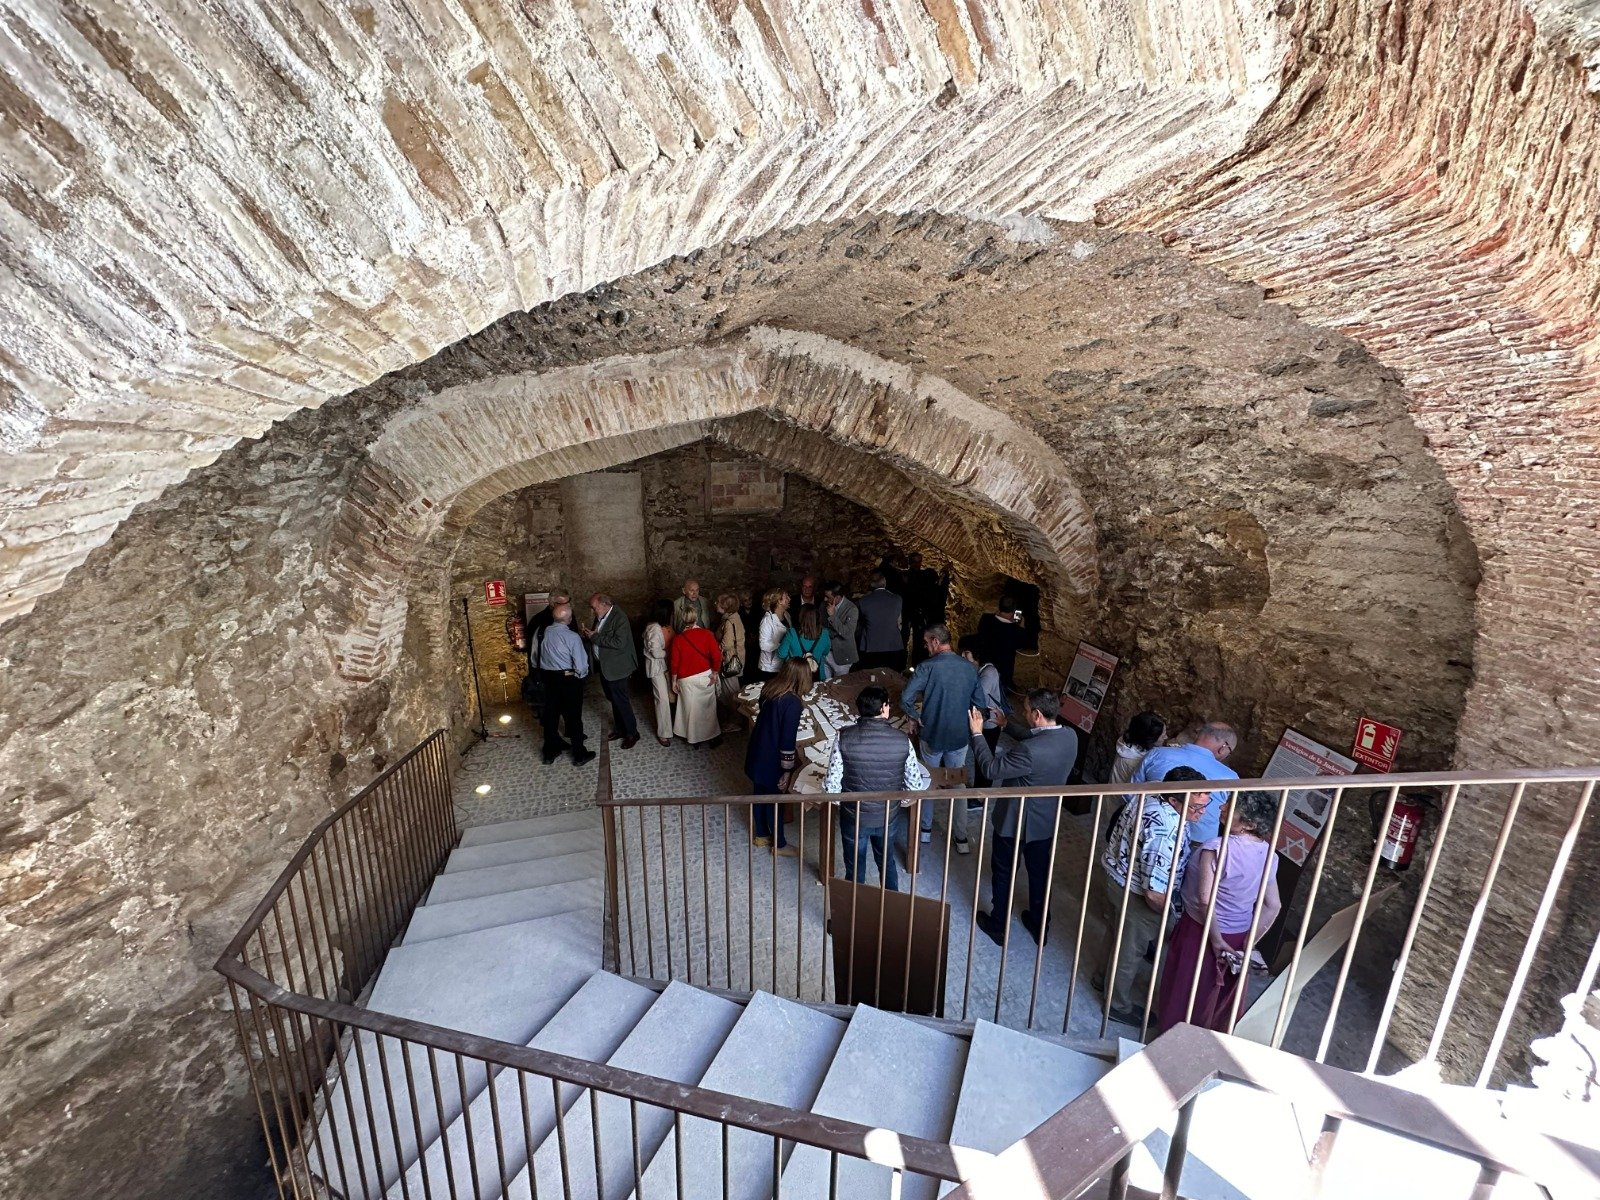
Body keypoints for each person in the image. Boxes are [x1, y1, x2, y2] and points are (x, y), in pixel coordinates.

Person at [1156, 789, 1282, 1034]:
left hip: (1201, 931)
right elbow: (1273, 905)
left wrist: (1216, 941)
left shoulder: (1216, 848)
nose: (1221, 807)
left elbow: (1205, 901)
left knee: (1184, 990)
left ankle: (1171, 1039)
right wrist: (1247, 944)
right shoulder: (1269, 854)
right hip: (1238, 935)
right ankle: (1205, 1040)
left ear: (1249, 823)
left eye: (1231, 807)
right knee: (1216, 996)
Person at [1091, 765, 1208, 1025]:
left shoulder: (1153, 789)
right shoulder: (1166, 830)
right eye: (1196, 807)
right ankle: (1117, 1005)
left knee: (1115, 931)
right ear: (1174, 800)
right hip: (1135, 895)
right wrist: (1172, 916)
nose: (1202, 813)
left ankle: (1101, 979)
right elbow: (1154, 894)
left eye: (1204, 804)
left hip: (1116, 877)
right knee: (1130, 950)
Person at [966, 689, 1079, 945]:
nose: (1024, 713)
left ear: (1037, 714)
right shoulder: (1069, 736)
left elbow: (990, 768)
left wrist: (976, 733)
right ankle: (1040, 927)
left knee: (1004, 872)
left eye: (1026, 710)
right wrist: (1007, 726)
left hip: (1013, 822)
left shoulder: (1028, 752)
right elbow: (1036, 736)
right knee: (1040, 875)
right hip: (1045, 821)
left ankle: (998, 926)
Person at [824, 685, 931, 890]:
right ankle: (891, 911)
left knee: (854, 868)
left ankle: (854, 913)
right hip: (887, 815)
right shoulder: (902, 740)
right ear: (884, 708)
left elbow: (831, 788)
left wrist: (846, 805)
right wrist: (900, 802)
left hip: (854, 816)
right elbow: (915, 786)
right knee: (886, 862)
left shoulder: (844, 737)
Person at [900, 624, 989, 852]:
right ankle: (961, 838)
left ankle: (925, 830)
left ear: (935, 642)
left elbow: (906, 698)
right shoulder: (969, 669)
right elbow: (980, 704)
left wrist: (914, 716)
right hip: (959, 735)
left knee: (928, 780)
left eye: (926, 642)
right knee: (957, 783)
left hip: (932, 733)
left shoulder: (927, 667)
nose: (926, 647)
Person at [1129, 722, 1240, 845]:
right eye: (1229, 752)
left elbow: (1130, 793)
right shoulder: (1230, 777)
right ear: (1223, 747)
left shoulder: (1157, 754)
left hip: (1144, 829)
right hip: (1196, 843)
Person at [744, 658, 810, 854]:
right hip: (772, 758)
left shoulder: (770, 688)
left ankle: (762, 836)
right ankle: (779, 844)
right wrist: (787, 771)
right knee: (776, 800)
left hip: (757, 750)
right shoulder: (792, 703)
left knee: (759, 794)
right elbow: (787, 741)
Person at [538, 603, 594, 765]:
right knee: (574, 717)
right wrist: (580, 676)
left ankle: (550, 752)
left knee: (551, 715)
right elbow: (582, 666)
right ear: (569, 619)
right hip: (568, 679)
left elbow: (537, 656)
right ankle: (579, 754)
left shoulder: (543, 632)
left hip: (549, 679)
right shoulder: (572, 637)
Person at [585, 593, 639, 749]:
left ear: (603, 604)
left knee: (621, 700)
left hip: (618, 668)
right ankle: (621, 729)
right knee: (613, 698)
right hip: (606, 666)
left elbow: (619, 642)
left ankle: (632, 733)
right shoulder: (602, 615)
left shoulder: (619, 617)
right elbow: (600, 634)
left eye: (594, 607)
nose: (592, 610)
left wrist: (594, 638)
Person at [668, 607, 723, 748]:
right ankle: (712, 737)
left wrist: (673, 681)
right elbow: (717, 656)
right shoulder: (707, 634)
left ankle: (694, 739)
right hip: (705, 676)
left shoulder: (678, 639)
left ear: (682, 620)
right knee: (708, 709)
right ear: (697, 618)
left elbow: (674, 663)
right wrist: (715, 673)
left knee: (691, 710)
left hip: (686, 680)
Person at [959, 635, 1007, 786]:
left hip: (990, 722)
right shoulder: (980, 668)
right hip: (983, 721)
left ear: (976, 653)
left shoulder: (989, 673)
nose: (962, 656)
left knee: (985, 759)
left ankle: (981, 795)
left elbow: (976, 697)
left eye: (966, 653)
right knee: (980, 756)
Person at [975, 594, 1027, 692]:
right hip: (1003, 676)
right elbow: (1021, 645)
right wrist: (1021, 626)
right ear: (1014, 610)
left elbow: (983, 630)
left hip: (984, 667)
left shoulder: (985, 619)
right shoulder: (1015, 630)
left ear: (999, 607)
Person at [855, 571, 905, 671]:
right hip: (893, 644)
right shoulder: (897, 599)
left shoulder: (863, 601)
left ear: (871, 584)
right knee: (891, 678)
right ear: (885, 581)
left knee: (872, 677)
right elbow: (899, 622)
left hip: (871, 646)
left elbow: (859, 625)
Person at [642, 600, 675, 746]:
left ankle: (672, 726)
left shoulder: (665, 626)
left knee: (669, 697)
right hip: (657, 668)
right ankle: (664, 733)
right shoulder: (654, 628)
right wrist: (671, 653)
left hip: (666, 666)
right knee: (661, 699)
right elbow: (655, 653)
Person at [903, 553, 947, 664]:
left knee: (922, 644)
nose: (917, 564)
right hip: (917, 618)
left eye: (918, 561)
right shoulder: (911, 577)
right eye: (915, 561)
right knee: (919, 643)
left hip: (924, 618)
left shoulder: (924, 579)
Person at [1111, 711, 1167, 786]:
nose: (1166, 737)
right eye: (1163, 736)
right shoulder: (1137, 763)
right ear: (1150, 740)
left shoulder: (1128, 742)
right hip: (1121, 796)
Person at [778, 604, 832, 681]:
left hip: (793, 676)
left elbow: (781, 654)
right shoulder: (825, 633)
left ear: (801, 617)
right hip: (816, 675)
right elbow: (825, 652)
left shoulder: (792, 633)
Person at [714, 591, 746, 717]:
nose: (715, 604)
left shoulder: (728, 622)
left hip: (730, 660)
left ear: (725, 606)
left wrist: (715, 647)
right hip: (736, 657)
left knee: (731, 691)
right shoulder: (735, 617)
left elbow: (726, 644)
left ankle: (737, 719)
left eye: (718, 602)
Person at [822, 581, 859, 678]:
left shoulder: (852, 609)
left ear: (837, 597)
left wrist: (833, 616)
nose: (824, 599)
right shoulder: (823, 605)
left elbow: (847, 633)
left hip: (842, 656)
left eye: (828, 597)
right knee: (824, 686)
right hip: (825, 654)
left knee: (838, 687)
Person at [757, 589, 790, 679]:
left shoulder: (786, 615)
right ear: (779, 601)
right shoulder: (767, 620)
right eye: (786, 597)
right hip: (770, 667)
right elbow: (763, 644)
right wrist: (783, 646)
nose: (789, 599)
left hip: (784, 664)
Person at [737, 590, 761, 683]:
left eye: (750, 599)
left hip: (757, 643)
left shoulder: (758, 610)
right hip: (744, 644)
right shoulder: (739, 613)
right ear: (742, 603)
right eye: (745, 600)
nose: (749, 602)